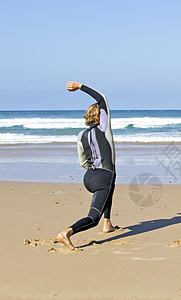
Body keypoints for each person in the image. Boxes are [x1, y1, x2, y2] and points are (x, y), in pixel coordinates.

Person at [57, 81, 118, 250]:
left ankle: (108, 223)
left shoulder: (81, 135)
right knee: (92, 218)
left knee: (111, 184)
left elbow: (83, 161)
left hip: (89, 177)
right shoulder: (104, 128)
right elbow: (102, 98)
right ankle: (67, 233)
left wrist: (95, 172)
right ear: (101, 116)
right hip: (103, 176)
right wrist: (80, 86)